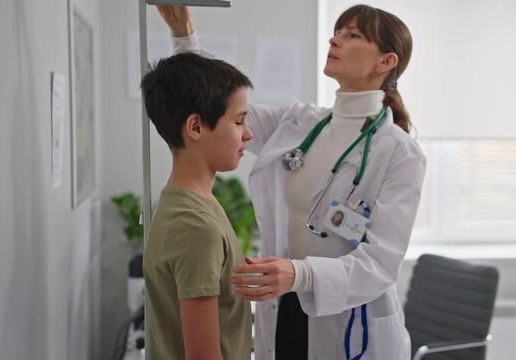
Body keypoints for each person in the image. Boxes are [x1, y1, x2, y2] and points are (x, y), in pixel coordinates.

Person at [158, 4, 426, 359]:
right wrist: (184, 36)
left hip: (348, 318)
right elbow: (223, 110)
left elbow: (379, 263)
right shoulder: (299, 124)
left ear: (386, 62)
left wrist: (300, 274)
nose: (335, 39)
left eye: (353, 35)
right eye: (337, 31)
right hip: (284, 306)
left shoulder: (400, 153)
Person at [141, 52, 254, 360]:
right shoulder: (195, 227)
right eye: (238, 121)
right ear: (195, 127)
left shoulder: (192, 202)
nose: (248, 133)